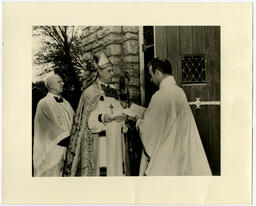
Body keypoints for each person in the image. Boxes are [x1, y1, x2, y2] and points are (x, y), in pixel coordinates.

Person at [136, 58, 212, 176]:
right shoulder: (179, 92)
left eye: (151, 75)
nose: (151, 80)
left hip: (166, 152)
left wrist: (139, 122)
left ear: (158, 73)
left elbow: (149, 130)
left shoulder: (159, 95)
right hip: (181, 148)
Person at [63, 52, 127, 176]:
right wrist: (102, 117)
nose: (112, 74)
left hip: (116, 138)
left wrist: (124, 117)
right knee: (103, 168)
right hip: (101, 138)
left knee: (116, 170)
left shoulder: (114, 90)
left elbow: (117, 109)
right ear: (100, 72)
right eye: (109, 71)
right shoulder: (90, 92)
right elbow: (87, 120)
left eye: (112, 71)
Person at [33, 74, 74, 176]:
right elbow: (50, 129)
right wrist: (72, 139)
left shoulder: (66, 102)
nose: (63, 84)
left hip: (67, 149)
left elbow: (75, 121)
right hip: (52, 152)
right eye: (59, 82)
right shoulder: (44, 103)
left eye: (62, 81)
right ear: (51, 86)